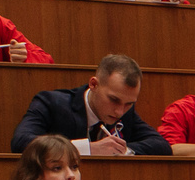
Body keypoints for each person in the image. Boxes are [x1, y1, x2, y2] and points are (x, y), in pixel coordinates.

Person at [11, 55, 171, 156]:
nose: (119, 111)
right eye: (113, 100)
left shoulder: (125, 111)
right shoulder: (51, 103)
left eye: (129, 104)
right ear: (94, 84)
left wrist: (119, 150)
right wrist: (86, 149)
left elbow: (161, 146)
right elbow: (21, 142)